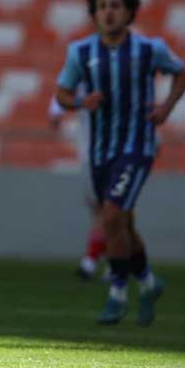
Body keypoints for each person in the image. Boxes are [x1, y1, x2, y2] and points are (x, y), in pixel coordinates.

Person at [56, 0, 185, 326]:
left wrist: (167, 108)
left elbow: (182, 73)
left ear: (129, 11)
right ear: (95, 14)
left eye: (115, 5)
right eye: (102, 7)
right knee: (123, 223)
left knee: (112, 216)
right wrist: (80, 102)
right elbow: (62, 94)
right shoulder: (81, 52)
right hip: (100, 152)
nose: (108, 12)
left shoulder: (150, 49)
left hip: (137, 146)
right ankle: (147, 282)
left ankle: (117, 293)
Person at [47, 94, 109, 280]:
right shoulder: (83, 73)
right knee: (99, 209)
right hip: (90, 155)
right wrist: (56, 111)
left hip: (113, 154)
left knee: (110, 209)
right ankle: (107, 261)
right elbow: (62, 95)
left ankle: (93, 261)